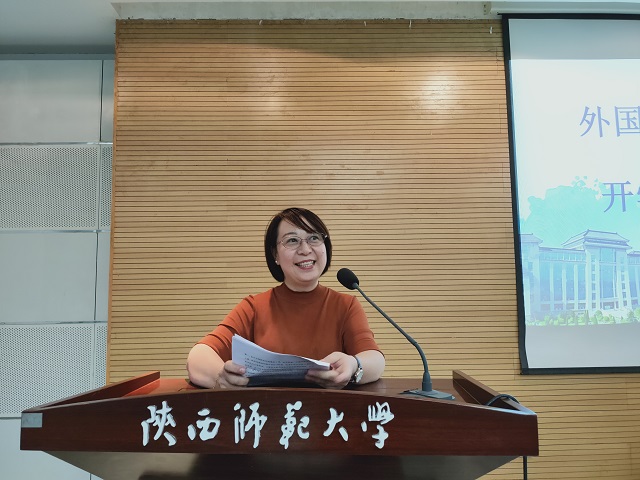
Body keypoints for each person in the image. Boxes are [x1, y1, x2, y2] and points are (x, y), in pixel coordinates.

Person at [187, 207, 385, 389]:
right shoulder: (254, 307)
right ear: (275, 254)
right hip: (269, 412)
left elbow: (375, 360)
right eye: (292, 240)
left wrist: (353, 365)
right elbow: (197, 357)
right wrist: (220, 378)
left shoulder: (346, 305)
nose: (305, 249)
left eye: (314, 238)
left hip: (329, 412)